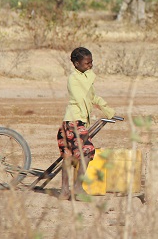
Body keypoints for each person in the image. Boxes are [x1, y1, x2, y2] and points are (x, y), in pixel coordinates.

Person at [57, 47, 117, 200]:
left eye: (91, 63)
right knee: (87, 150)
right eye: (87, 63)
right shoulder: (74, 79)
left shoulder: (84, 77)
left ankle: (64, 191)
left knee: (68, 156)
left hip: (75, 121)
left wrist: (108, 110)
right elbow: (82, 97)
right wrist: (90, 75)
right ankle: (76, 187)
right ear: (76, 64)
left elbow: (93, 96)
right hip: (73, 121)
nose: (90, 66)